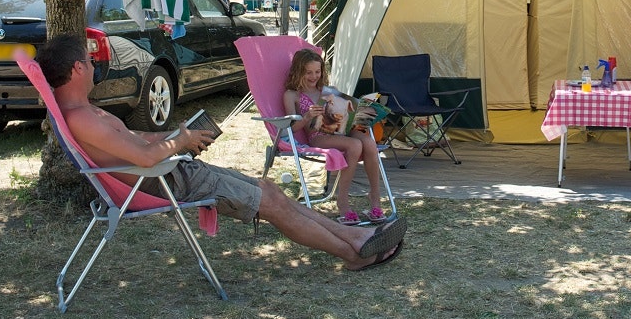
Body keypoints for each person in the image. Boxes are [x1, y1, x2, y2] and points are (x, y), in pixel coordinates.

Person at [35, 35, 405, 270]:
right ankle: (354, 251)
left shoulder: (88, 113)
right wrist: (179, 141)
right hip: (167, 181)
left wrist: (178, 134)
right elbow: (145, 158)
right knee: (271, 204)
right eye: (89, 60)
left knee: (270, 190)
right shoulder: (83, 117)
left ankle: (349, 234)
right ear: (78, 67)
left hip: (173, 172)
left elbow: (137, 139)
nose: (95, 65)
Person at [283, 48, 386, 224]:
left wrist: (358, 111)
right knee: (354, 145)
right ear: (298, 72)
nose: (313, 76)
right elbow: (290, 128)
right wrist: (307, 116)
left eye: (317, 71)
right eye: (308, 72)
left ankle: (375, 197)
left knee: (368, 142)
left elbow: (345, 112)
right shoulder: (292, 95)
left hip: (342, 129)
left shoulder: (330, 90)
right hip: (319, 134)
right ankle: (343, 201)